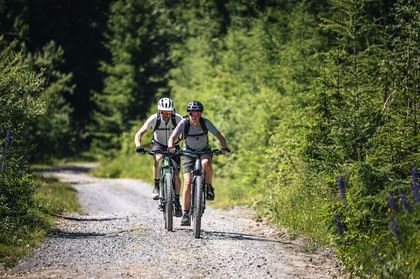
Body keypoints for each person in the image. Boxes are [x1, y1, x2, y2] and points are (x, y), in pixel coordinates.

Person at [168, 100, 230, 226]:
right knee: (187, 182)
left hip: (204, 151)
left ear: (200, 114)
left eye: (196, 113)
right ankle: (186, 214)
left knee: (206, 163)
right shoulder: (184, 123)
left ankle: (208, 187)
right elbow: (172, 138)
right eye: (191, 113)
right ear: (188, 113)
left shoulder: (205, 122)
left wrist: (224, 147)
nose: (194, 116)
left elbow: (219, 136)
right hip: (188, 153)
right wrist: (171, 147)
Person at [134, 97, 183, 217]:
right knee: (157, 159)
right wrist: (138, 145)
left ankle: (176, 200)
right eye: (163, 112)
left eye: (168, 112)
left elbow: (187, 133)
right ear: (159, 111)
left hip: (174, 145)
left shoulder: (178, 118)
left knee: (176, 173)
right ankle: (156, 186)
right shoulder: (154, 119)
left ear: (172, 111)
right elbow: (138, 134)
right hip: (158, 144)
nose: (166, 115)